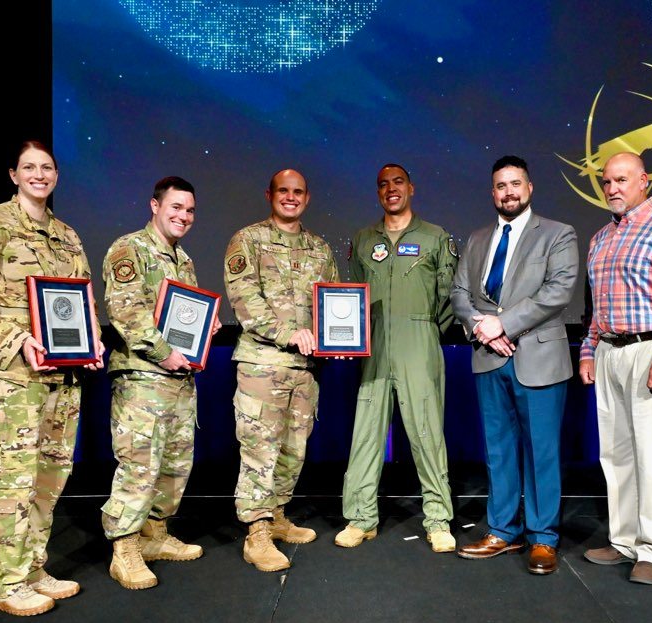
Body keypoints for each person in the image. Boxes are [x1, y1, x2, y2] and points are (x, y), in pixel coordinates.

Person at [0, 141, 104, 616]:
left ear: (56, 175)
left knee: (49, 477)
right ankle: (6, 583)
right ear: (13, 174)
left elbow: (82, 301)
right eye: (29, 167)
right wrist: (15, 340)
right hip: (13, 375)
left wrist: (92, 342)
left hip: (62, 376)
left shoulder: (67, 235)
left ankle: (32, 568)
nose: (39, 174)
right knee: (13, 478)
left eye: (47, 167)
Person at [450, 155, 578, 575]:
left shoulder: (558, 234)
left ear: (529, 187)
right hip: (489, 357)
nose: (509, 192)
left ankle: (543, 538)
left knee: (541, 452)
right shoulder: (476, 239)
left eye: (515, 184)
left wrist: (503, 323)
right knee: (499, 450)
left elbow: (558, 291)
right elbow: (459, 293)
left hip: (539, 358)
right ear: (493, 193)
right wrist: (482, 328)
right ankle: (502, 531)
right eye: (501, 186)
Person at [577, 152, 652, 585]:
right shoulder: (600, 238)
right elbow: (597, 307)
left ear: (644, 181)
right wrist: (588, 350)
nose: (612, 188)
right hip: (609, 351)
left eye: (622, 180)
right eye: (607, 181)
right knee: (616, 454)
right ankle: (624, 540)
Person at [101, 176, 218, 590]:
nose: (184, 216)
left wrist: (206, 329)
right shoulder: (129, 249)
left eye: (190, 210)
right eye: (176, 207)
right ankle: (124, 549)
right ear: (155, 206)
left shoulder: (183, 259)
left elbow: (184, 317)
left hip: (178, 378)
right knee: (140, 463)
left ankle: (154, 534)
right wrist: (164, 352)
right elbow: (126, 312)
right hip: (143, 377)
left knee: (174, 463)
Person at [336, 164, 458, 553]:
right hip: (374, 346)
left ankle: (438, 520)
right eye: (383, 184)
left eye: (398, 182)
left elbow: (448, 298)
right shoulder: (362, 239)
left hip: (418, 342)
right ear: (378, 193)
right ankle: (360, 518)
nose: (391, 189)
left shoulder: (435, 237)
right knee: (366, 432)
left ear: (411, 188)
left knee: (427, 433)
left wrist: (422, 330)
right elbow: (352, 293)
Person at [224, 169, 339, 572]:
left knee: (293, 449)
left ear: (307, 198)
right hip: (263, 365)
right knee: (260, 450)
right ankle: (256, 534)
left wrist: (338, 341)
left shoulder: (319, 248)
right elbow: (245, 300)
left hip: (305, 369)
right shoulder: (248, 240)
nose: (291, 197)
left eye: (298, 192)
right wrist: (289, 334)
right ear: (269, 195)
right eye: (283, 191)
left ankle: (276, 516)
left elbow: (334, 302)